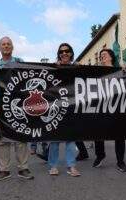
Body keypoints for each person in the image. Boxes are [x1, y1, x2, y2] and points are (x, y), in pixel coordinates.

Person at [0, 36, 34, 181]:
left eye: (8, 44)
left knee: (21, 138)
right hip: (2, 107)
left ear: (12, 47)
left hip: (20, 106)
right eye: (3, 44)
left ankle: (23, 168)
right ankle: (4, 170)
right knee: (2, 140)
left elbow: (28, 81)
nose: (6, 46)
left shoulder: (20, 62)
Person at [92, 49, 126, 172]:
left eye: (104, 55)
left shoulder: (120, 70)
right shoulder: (96, 72)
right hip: (101, 106)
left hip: (117, 106)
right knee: (98, 132)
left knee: (119, 134)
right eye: (100, 56)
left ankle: (120, 161)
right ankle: (100, 155)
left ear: (111, 57)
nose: (102, 57)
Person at [48, 43, 80, 177]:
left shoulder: (77, 67)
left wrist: (79, 69)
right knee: (54, 140)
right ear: (59, 54)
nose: (64, 53)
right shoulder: (54, 68)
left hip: (72, 108)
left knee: (70, 139)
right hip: (57, 106)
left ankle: (71, 166)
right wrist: (54, 68)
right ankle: (53, 166)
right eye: (61, 52)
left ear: (71, 53)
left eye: (67, 51)